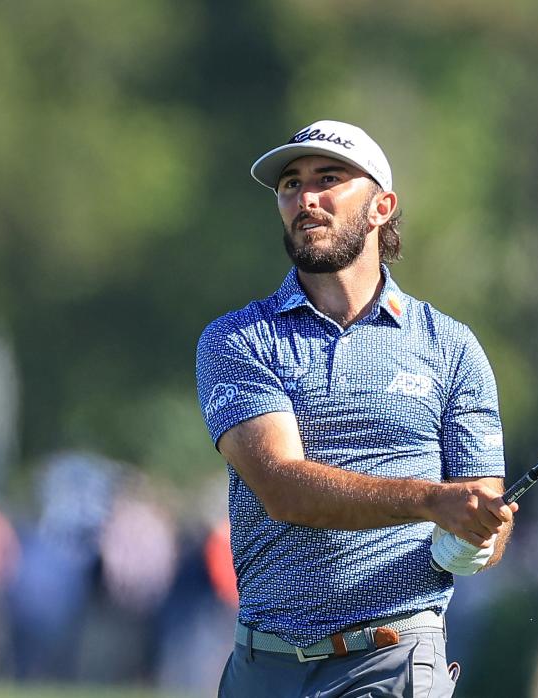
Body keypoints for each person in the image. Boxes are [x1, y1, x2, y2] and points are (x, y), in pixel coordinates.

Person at [196, 119, 516, 697]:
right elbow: (283, 488)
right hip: (264, 664)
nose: (305, 198)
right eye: (290, 185)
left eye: (329, 178)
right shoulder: (237, 339)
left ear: (381, 207)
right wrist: (432, 501)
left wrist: (479, 536)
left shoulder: (450, 346)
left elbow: (478, 509)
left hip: (394, 661)